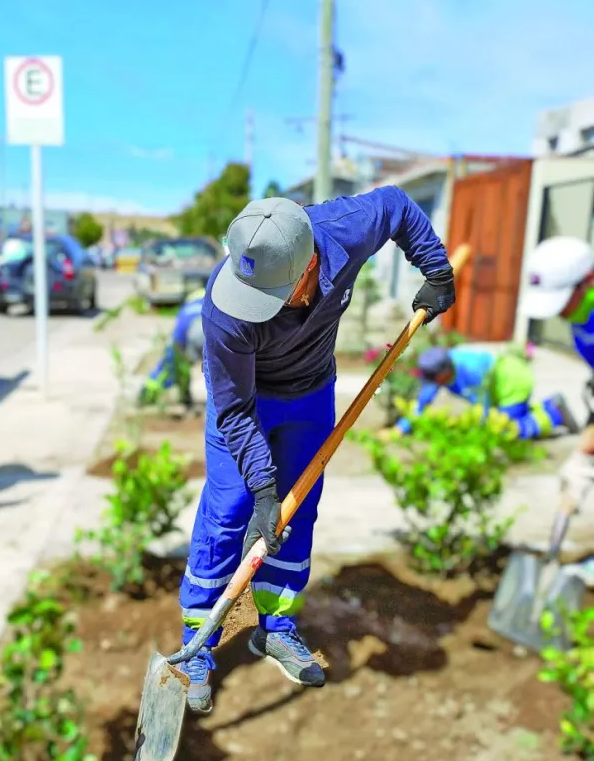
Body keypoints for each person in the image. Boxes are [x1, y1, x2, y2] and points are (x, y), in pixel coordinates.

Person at [178, 190, 457, 714]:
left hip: (309, 393)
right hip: (245, 400)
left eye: (269, 295)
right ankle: (197, 642)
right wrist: (262, 488)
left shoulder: (346, 229)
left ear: (308, 268)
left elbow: (397, 204)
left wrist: (436, 270)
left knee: (296, 510)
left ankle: (276, 626)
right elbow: (233, 411)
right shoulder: (224, 308)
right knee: (231, 510)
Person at [520, 235, 594, 514]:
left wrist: (585, 453)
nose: (559, 311)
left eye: (563, 300)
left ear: (589, 280)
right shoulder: (581, 317)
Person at [395, 343, 578, 439]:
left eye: (434, 380)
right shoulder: (440, 369)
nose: (432, 385)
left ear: (444, 373)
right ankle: (550, 404)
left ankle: (555, 414)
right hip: (498, 387)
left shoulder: (471, 370)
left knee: (505, 430)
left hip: (513, 383)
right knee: (507, 418)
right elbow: (423, 401)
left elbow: (484, 411)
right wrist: (401, 428)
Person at [139, 287, 205, 409]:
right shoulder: (210, 304)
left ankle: (147, 394)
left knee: (173, 364)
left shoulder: (185, 311)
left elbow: (177, 343)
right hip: (207, 334)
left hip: (192, 334)